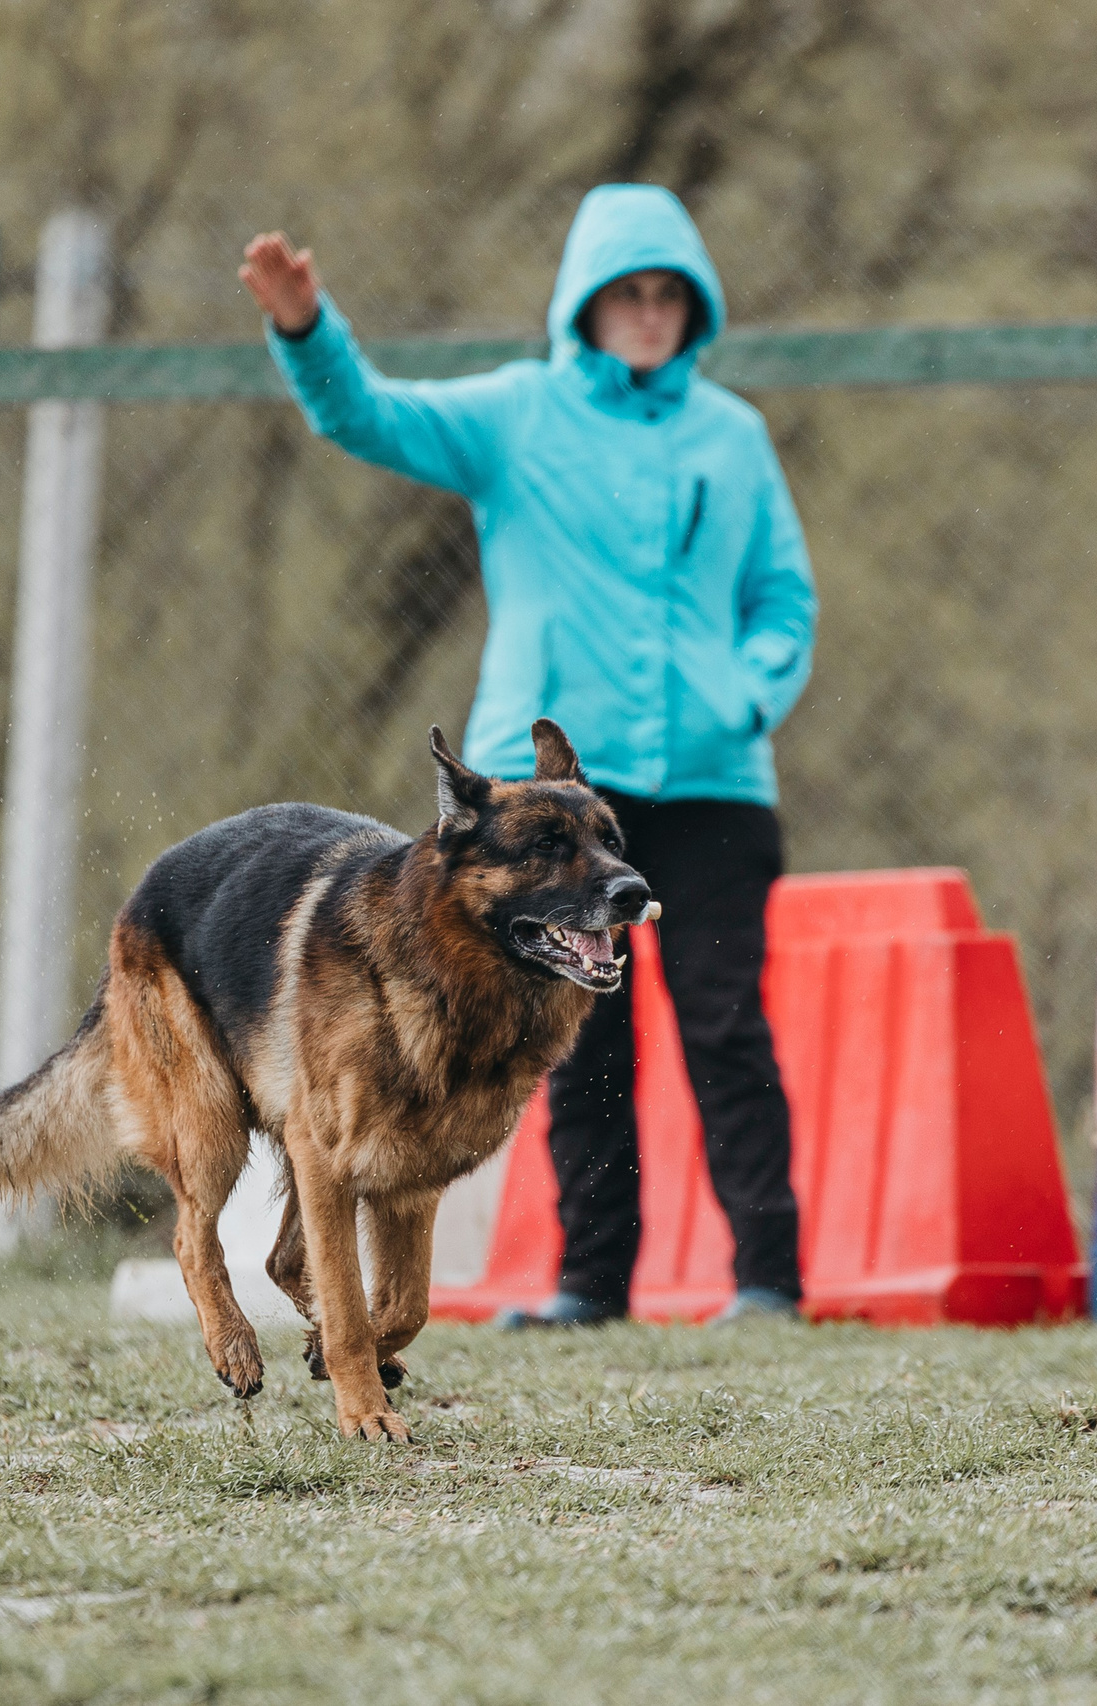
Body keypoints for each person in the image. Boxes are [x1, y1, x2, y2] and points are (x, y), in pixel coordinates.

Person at [239, 184, 817, 1326]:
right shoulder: (520, 415)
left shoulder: (734, 436)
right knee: (567, 1033)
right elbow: (369, 418)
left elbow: (783, 600)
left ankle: (769, 1283)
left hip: (712, 786)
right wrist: (307, 329)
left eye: (669, 295)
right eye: (625, 293)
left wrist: (744, 695)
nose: (647, 313)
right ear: (584, 306)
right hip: (550, 804)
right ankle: (590, 1284)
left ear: (692, 310)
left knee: (724, 1025)